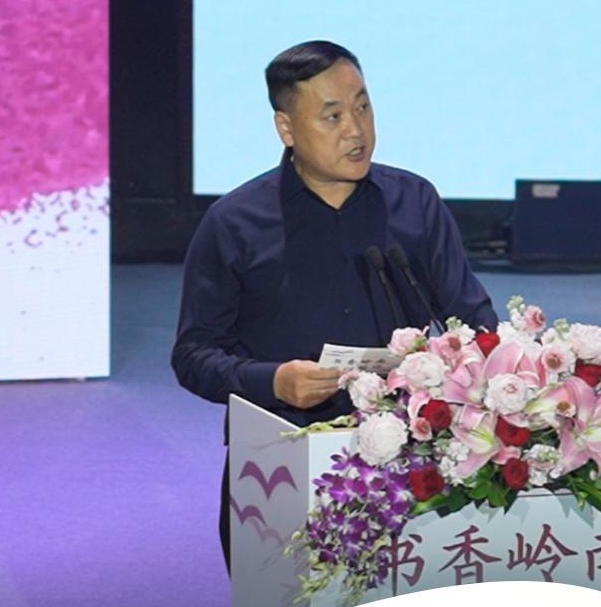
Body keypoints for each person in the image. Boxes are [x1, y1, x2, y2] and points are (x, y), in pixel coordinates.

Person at [170, 40, 498, 570]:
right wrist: (273, 381)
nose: (356, 130)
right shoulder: (235, 224)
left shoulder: (414, 203)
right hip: (282, 458)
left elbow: (477, 325)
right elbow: (192, 356)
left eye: (363, 107)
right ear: (286, 128)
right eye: (332, 116)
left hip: (411, 459)